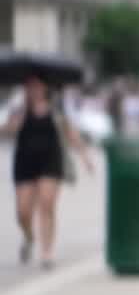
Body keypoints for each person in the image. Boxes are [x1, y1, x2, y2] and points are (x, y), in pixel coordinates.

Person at [2, 76, 94, 270]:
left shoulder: (56, 110)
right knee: (23, 211)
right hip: (25, 162)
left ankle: (47, 252)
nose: (34, 90)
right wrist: (13, 125)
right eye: (30, 86)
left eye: (37, 86)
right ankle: (29, 237)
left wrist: (85, 157)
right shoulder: (19, 110)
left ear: (45, 88)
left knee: (47, 204)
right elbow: (6, 131)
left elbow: (72, 133)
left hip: (50, 161)